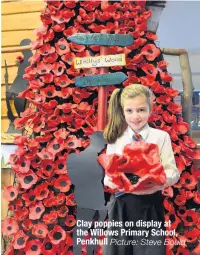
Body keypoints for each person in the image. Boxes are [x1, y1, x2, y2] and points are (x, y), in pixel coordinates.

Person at [102, 84, 180, 255]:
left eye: (141, 110)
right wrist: (116, 180)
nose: (135, 116)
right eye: (129, 111)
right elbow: (108, 176)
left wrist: (156, 181)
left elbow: (172, 172)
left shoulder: (161, 137)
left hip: (150, 207)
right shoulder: (116, 139)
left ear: (150, 109)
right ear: (122, 111)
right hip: (121, 207)